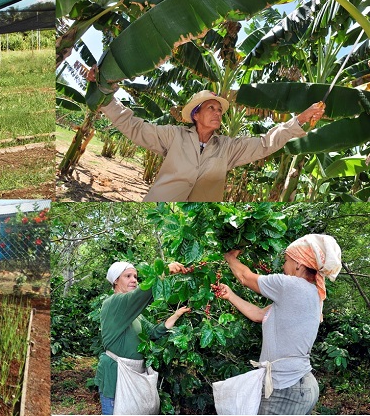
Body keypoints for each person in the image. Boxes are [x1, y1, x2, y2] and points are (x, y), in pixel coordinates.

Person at [86, 66, 326, 201]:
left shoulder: (228, 148)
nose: (217, 113)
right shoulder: (174, 136)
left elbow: (265, 143)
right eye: (211, 108)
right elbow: (135, 127)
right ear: (196, 115)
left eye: (220, 110)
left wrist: (299, 120)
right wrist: (106, 97)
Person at [215, 234, 341, 415]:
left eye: (286, 260)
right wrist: (231, 295)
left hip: (286, 386)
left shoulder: (291, 286)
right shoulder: (309, 293)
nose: (283, 266)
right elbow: (258, 315)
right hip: (300, 384)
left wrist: (229, 257)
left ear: (298, 263)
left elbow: (244, 276)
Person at [95, 261, 192, 415]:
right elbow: (140, 295)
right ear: (115, 281)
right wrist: (163, 271)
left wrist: (175, 316)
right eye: (128, 276)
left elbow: (152, 333)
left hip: (134, 375)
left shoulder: (135, 315)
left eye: (135, 276)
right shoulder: (113, 303)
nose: (134, 279)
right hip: (115, 377)